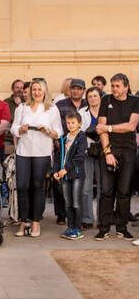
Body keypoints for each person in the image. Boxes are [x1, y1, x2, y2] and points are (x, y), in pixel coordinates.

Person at [11, 79, 62, 237]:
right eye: (34, 89)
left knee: (38, 186)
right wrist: (21, 129)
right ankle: (23, 220)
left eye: (40, 89)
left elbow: (59, 132)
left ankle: (35, 222)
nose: (37, 92)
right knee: (22, 186)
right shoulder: (22, 107)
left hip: (42, 152)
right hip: (23, 151)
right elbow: (13, 128)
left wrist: (47, 131)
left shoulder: (51, 109)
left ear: (45, 91)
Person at [95, 73, 139, 241]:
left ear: (126, 87)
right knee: (106, 192)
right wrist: (107, 152)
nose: (114, 89)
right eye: (112, 86)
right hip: (109, 150)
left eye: (117, 86)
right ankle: (104, 227)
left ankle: (122, 227)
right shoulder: (105, 100)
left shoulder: (135, 101)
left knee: (124, 191)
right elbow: (100, 129)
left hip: (128, 151)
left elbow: (131, 126)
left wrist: (109, 128)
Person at [54, 78, 88, 224]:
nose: (75, 91)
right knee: (62, 191)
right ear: (69, 89)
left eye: (79, 88)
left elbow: (80, 156)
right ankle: (62, 215)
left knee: (76, 198)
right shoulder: (60, 105)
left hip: (76, 155)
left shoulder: (86, 105)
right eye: (73, 88)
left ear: (83, 90)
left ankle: (77, 225)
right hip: (62, 145)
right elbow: (55, 123)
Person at [53, 111, 87, 240]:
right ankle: (70, 227)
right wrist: (56, 171)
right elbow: (58, 156)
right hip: (64, 175)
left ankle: (78, 229)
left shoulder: (81, 137)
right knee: (67, 202)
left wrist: (66, 169)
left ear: (79, 124)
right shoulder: (63, 138)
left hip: (76, 175)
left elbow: (79, 157)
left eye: (73, 123)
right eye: (68, 123)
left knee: (76, 202)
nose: (70, 125)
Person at [79, 86, 103, 229]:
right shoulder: (82, 112)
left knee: (103, 187)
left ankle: (102, 219)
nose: (93, 99)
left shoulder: (107, 111)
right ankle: (87, 218)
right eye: (90, 97)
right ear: (86, 99)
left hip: (104, 152)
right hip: (87, 152)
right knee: (86, 187)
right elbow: (79, 130)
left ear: (100, 97)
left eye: (95, 96)